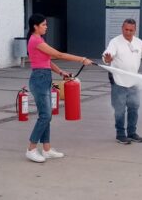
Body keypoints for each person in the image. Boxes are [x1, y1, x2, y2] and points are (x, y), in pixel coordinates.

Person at [26, 14, 93, 162]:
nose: (46, 26)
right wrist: (81, 59)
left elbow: (47, 62)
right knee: (45, 116)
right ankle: (31, 149)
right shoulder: (36, 40)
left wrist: (61, 72)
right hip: (39, 79)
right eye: (43, 24)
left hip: (44, 77)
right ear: (35, 27)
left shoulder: (39, 40)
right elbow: (58, 54)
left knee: (46, 115)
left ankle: (47, 149)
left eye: (46, 24)